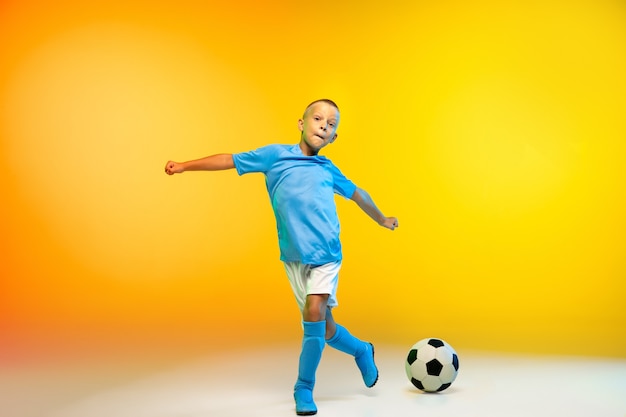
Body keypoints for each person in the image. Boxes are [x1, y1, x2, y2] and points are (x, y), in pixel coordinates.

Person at [164, 99, 398, 416]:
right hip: (294, 257)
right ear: (301, 123)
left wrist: (381, 218)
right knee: (325, 328)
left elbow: (359, 195)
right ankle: (361, 350)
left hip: (327, 255)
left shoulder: (327, 168)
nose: (324, 126)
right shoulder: (275, 156)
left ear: (334, 138)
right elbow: (229, 160)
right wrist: (184, 165)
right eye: (318, 119)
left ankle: (303, 387)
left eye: (331, 125)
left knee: (314, 311)